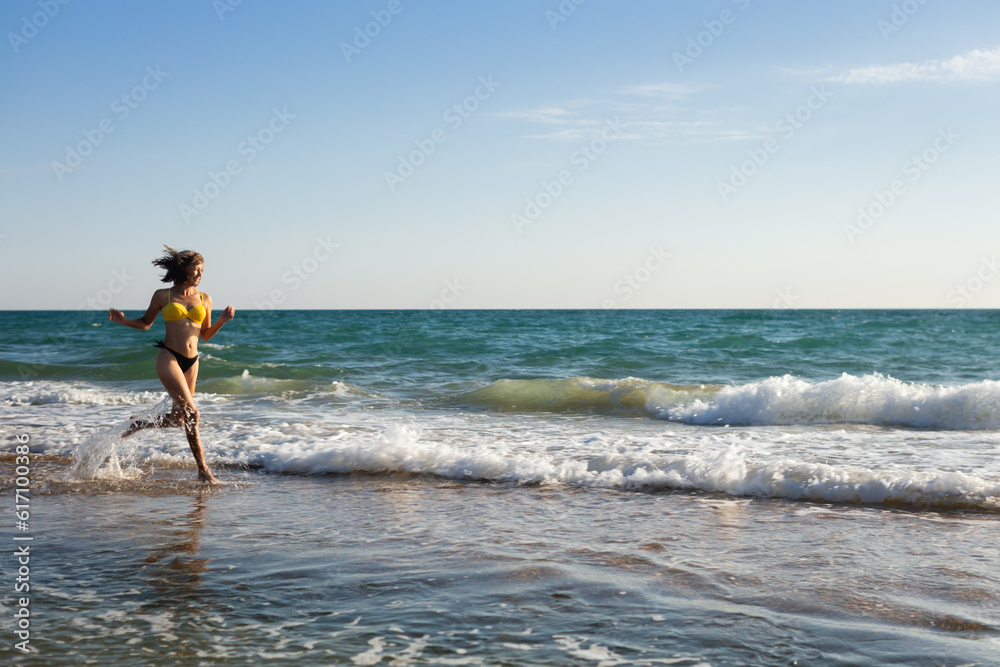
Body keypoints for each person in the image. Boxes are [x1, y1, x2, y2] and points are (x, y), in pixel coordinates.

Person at [108, 246, 235, 483]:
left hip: (192, 361)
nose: (200, 273)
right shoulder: (162, 295)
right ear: (183, 268)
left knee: (180, 419)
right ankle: (203, 471)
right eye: (197, 269)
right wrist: (123, 321)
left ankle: (140, 422)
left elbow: (205, 335)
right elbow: (146, 323)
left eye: (202, 270)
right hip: (169, 356)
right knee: (193, 413)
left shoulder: (205, 298)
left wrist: (222, 321)